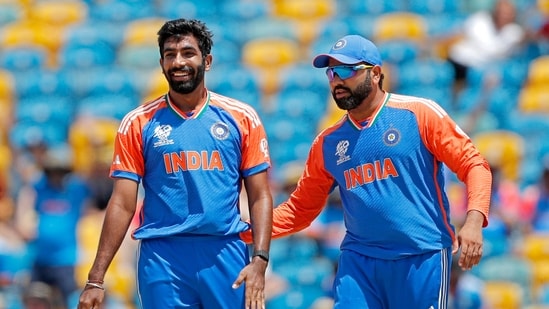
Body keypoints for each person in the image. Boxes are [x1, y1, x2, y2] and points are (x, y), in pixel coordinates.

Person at [243, 34, 492, 308]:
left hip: (422, 256)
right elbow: (300, 210)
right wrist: (237, 230)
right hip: (359, 263)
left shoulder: (418, 113)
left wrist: (473, 221)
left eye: (346, 71)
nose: (337, 80)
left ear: (375, 74)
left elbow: (474, 164)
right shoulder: (328, 142)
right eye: (331, 73)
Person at [77, 18, 273, 309]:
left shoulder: (241, 117)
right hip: (163, 256)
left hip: (224, 251)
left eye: (187, 53)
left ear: (207, 60)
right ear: (161, 63)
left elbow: (260, 195)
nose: (178, 61)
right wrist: (96, 278)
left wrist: (259, 260)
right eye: (170, 55)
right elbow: (121, 204)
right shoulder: (137, 122)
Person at [15, 143, 93, 309]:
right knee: (35, 300)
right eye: (52, 171)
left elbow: (92, 180)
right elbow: (26, 195)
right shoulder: (40, 189)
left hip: (65, 259)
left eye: (60, 171)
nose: (56, 175)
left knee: (67, 302)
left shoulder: (75, 189)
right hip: (40, 258)